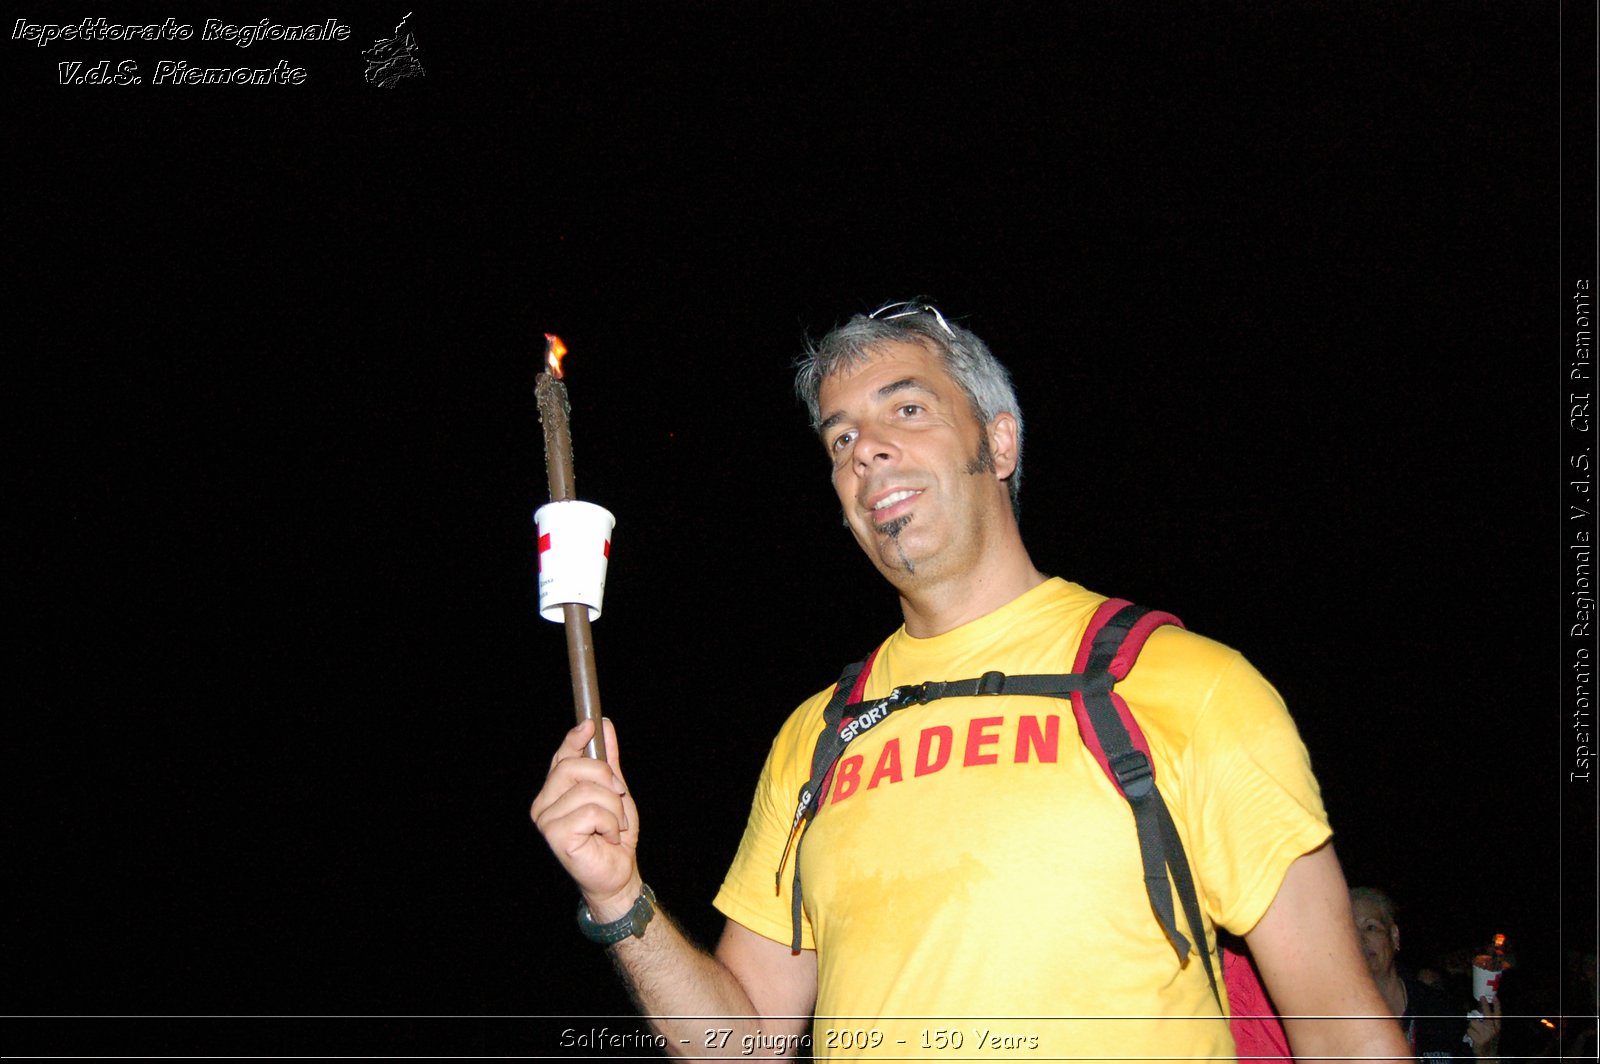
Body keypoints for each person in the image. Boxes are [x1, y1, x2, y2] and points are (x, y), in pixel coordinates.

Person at [533, 301, 1411, 1060]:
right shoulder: (819, 735)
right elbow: (745, 1041)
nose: (865, 451)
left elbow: (1343, 1035)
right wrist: (620, 896)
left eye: (905, 410)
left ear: (999, 441)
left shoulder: (1183, 684)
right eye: (839, 438)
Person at [1349, 887, 1503, 1061]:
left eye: (1370, 927)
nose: (1360, 940)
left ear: (1394, 937)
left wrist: (1486, 1056)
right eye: (1350, 931)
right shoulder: (1330, 1022)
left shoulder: (1441, 1012)